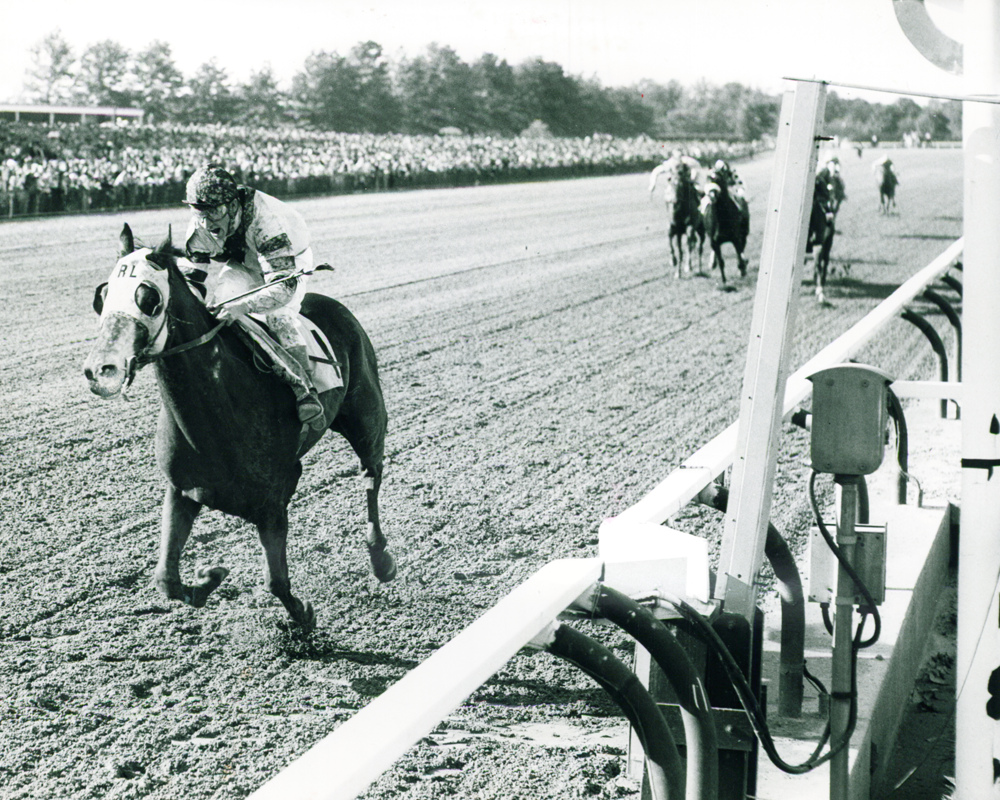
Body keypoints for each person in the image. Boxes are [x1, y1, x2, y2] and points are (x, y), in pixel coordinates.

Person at [182, 163, 324, 428]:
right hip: (245, 263)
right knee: (219, 307)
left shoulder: (267, 221)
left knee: (278, 316)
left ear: (233, 203)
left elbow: (283, 289)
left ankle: (305, 390)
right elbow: (194, 277)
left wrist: (243, 306)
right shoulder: (201, 223)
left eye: (215, 211)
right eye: (199, 211)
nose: (206, 221)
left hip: (290, 264)